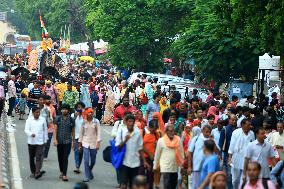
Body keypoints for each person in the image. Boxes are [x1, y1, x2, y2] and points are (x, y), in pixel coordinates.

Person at [115, 113, 148, 189]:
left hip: (135, 162)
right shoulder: (121, 131)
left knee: (133, 185)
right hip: (124, 162)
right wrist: (125, 141)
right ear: (126, 122)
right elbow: (118, 148)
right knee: (123, 185)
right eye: (129, 121)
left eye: (132, 121)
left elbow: (140, 147)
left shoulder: (137, 132)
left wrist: (144, 161)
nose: (131, 123)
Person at [153, 124, 184, 189]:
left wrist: (182, 166)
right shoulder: (161, 140)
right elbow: (157, 154)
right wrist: (155, 166)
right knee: (167, 185)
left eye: (173, 131)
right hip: (165, 167)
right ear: (166, 131)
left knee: (173, 185)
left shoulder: (178, 139)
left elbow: (181, 153)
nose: (172, 133)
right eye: (170, 131)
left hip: (175, 167)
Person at [228, 118, 255, 189]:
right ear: (243, 125)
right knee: (235, 179)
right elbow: (232, 145)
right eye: (248, 125)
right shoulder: (236, 132)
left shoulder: (251, 133)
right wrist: (230, 158)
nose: (250, 126)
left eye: (250, 125)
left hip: (248, 160)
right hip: (237, 158)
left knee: (247, 179)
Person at [24, 107, 48, 179]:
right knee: (32, 158)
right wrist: (31, 134)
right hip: (31, 142)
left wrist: (45, 140)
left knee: (39, 157)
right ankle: (33, 171)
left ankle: (37, 172)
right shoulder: (29, 120)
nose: (38, 114)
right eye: (36, 112)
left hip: (40, 142)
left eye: (39, 112)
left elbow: (45, 130)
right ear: (33, 113)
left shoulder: (43, 120)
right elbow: (26, 130)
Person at [53, 104, 75, 181]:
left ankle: (65, 174)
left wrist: (73, 141)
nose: (64, 110)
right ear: (61, 110)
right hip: (59, 141)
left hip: (68, 141)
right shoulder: (58, 118)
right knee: (60, 157)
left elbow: (73, 131)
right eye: (63, 109)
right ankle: (62, 171)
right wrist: (55, 139)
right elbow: (55, 130)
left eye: (66, 109)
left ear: (68, 110)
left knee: (65, 157)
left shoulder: (71, 119)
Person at [79, 108, 101, 182]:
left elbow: (99, 133)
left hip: (94, 143)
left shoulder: (96, 121)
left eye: (92, 112)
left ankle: (89, 171)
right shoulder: (83, 122)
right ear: (86, 113)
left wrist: (98, 143)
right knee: (86, 160)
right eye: (89, 112)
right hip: (85, 143)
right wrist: (79, 144)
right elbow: (81, 134)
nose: (90, 114)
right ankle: (86, 176)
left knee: (93, 161)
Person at [218, 114, 237, 188]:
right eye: (232, 120)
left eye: (235, 120)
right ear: (229, 120)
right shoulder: (224, 129)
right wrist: (219, 154)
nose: (234, 121)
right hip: (227, 154)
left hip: (236, 154)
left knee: (235, 173)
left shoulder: (238, 130)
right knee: (229, 174)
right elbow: (220, 142)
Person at [141, 120, 160, 189]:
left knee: (150, 176)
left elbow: (159, 142)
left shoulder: (155, 133)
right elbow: (140, 145)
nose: (154, 131)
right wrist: (149, 154)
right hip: (143, 157)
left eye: (156, 129)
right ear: (149, 126)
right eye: (154, 129)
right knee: (141, 175)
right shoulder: (143, 132)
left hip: (152, 158)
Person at [73, 102, 85, 174]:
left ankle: (78, 165)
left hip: (84, 137)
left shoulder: (85, 116)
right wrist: (74, 117)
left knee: (81, 152)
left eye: (81, 107)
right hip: (76, 136)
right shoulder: (73, 115)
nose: (79, 109)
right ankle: (77, 166)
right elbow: (71, 125)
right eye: (78, 107)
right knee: (77, 151)